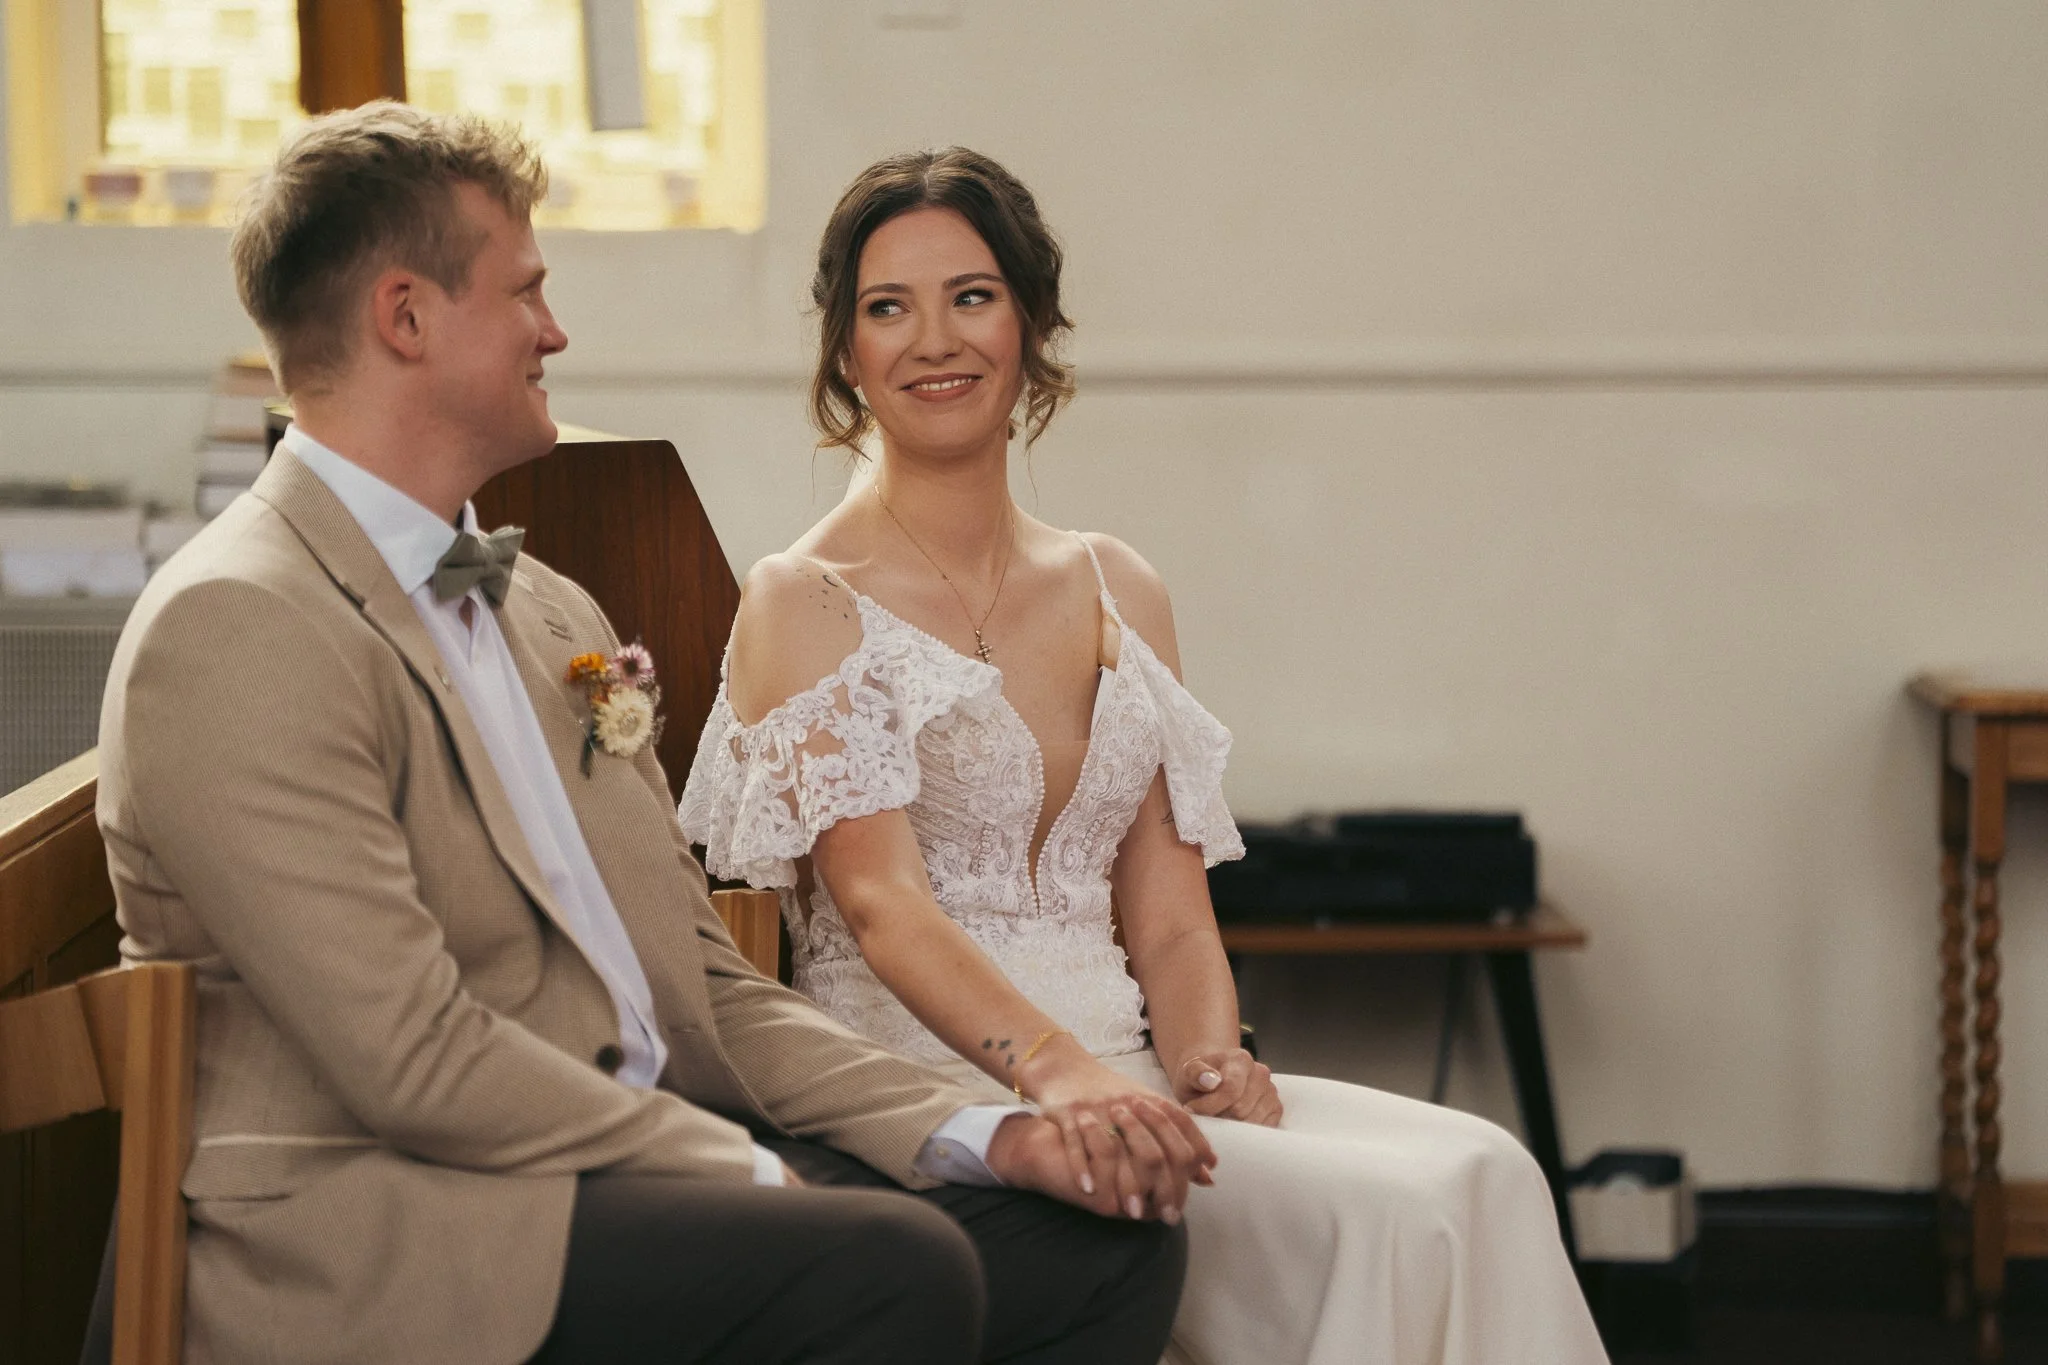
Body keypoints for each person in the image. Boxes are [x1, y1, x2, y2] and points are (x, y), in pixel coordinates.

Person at [88, 105, 1201, 1365]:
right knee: (887, 1270)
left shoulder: (545, 609)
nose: (553, 331)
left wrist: (978, 1133)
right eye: (525, 291)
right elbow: (410, 1059)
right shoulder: (239, 622)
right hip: (394, 1225)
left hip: (623, 1166)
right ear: (406, 317)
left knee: (1105, 1248)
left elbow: (704, 984)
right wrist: (752, 1178)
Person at [681, 146, 1611, 1365]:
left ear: (1029, 322)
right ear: (845, 354)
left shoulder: (1118, 585)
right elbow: (883, 908)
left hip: (1137, 1070)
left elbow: (1169, 918)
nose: (931, 340)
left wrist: (1209, 1057)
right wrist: (1069, 1082)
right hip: (946, 1099)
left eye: (970, 295)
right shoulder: (803, 598)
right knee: (1399, 1222)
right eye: (885, 307)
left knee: (1487, 1171)